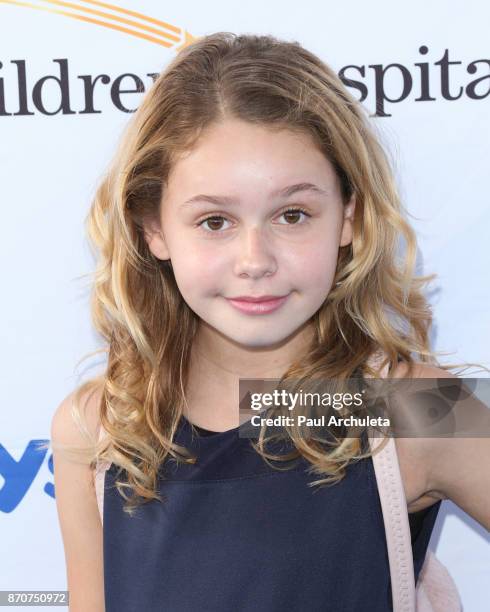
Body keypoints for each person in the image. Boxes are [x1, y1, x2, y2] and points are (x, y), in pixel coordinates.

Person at [50, 32, 490, 611]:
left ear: (348, 218)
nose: (255, 260)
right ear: (153, 228)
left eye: (292, 214)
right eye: (214, 221)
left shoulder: (414, 406)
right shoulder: (101, 427)